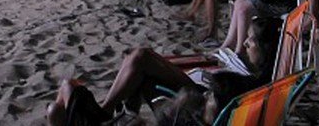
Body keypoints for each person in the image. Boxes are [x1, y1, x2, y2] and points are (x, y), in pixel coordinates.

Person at [45, 19, 279, 125]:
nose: (246, 44)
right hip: (202, 93)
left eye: (252, 41)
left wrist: (208, 91)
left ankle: (104, 111)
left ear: (266, 49)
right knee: (58, 104)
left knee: (61, 97)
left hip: (197, 97)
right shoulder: (260, 78)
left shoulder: (252, 88)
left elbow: (219, 102)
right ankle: (105, 111)